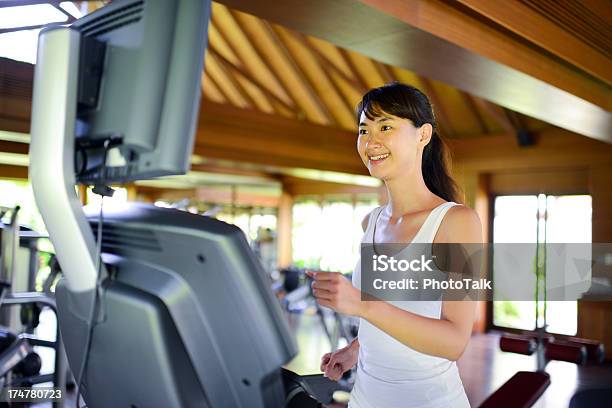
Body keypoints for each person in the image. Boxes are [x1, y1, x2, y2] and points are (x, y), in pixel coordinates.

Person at [307, 83, 482, 408]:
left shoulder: (457, 222)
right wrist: (355, 350)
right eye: (363, 130)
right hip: (366, 398)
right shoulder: (371, 222)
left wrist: (360, 304)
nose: (370, 142)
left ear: (422, 135)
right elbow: (398, 316)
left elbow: (454, 342)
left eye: (385, 126)